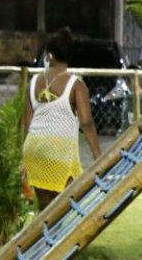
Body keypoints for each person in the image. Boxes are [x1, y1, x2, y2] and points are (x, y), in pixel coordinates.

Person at [20, 27, 102, 211]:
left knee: (44, 207)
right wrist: (98, 156)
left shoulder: (33, 82)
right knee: (63, 207)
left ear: (49, 55)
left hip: (34, 147)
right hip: (60, 149)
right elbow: (86, 122)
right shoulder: (76, 85)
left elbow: (27, 121)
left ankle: (43, 229)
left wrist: (23, 156)